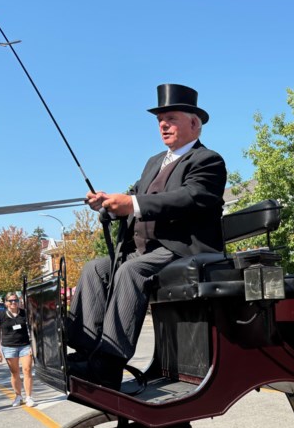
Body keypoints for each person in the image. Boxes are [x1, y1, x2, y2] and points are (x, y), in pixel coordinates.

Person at [66, 84, 227, 389]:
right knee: (95, 268)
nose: (163, 125)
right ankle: (84, 350)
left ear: (194, 123)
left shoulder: (207, 161)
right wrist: (110, 206)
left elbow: (191, 198)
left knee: (130, 271)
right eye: (159, 120)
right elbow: (134, 197)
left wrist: (133, 203)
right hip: (144, 249)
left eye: (171, 118)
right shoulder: (154, 162)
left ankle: (108, 363)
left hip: (181, 249)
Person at [0, 294, 35, 407]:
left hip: (25, 346)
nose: (13, 302)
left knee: (27, 370)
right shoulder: (0, 316)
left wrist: (33, 346)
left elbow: (34, 330)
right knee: (15, 373)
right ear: (6, 302)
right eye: (10, 301)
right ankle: (18, 396)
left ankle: (29, 397)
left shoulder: (25, 313)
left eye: (15, 300)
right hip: (9, 347)